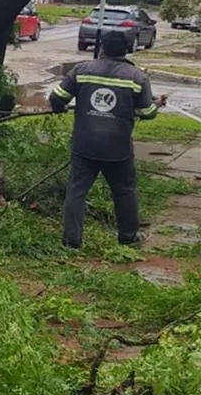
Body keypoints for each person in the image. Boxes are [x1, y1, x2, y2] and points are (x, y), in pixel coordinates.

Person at [50, 30, 166, 249]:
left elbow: (57, 97)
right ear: (127, 49)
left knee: (76, 191)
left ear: (102, 48)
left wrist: (60, 108)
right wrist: (157, 104)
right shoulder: (137, 77)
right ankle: (128, 238)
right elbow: (146, 112)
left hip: (84, 145)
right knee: (124, 191)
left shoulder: (82, 71)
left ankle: (71, 242)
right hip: (118, 149)